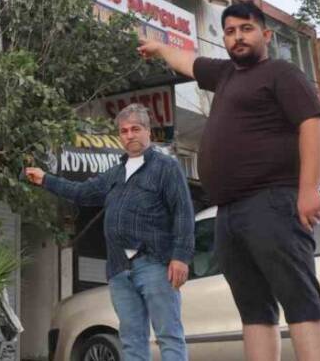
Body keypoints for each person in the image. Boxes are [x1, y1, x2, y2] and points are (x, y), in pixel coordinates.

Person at [138, 0, 320, 361]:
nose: (238, 37)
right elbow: (188, 62)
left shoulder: (281, 73)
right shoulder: (226, 75)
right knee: (254, 309)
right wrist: (161, 47)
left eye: (246, 29)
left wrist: (308, 189)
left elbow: (312, 124)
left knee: (299, 298)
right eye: (230, 32)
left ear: (266, 34)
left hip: (273, 201)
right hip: (229, 212)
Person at [24, 104, 194, 361]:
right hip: (119, 269)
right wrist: (45, 179)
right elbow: (81, 192)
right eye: (124, 131)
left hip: (155, 264)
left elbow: (183, 212)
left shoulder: (166, 167)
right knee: (130, 339)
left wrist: (180, 256)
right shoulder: (115, 173)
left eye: (135, 129)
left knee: (168, 335)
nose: (129, 135)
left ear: (148, 131)